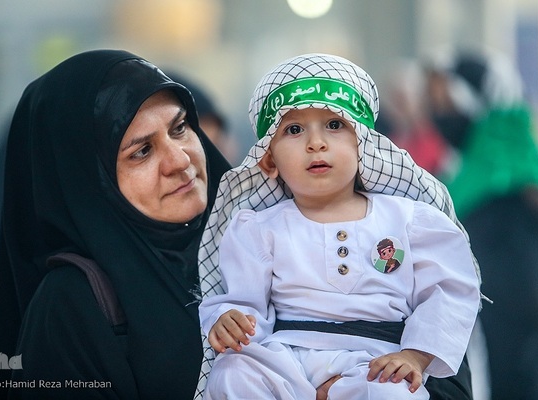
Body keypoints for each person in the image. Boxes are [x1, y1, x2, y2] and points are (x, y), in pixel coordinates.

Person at [197, 53, 481, 399]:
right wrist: (228, 319)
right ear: (269, 159)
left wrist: (415, 356)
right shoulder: (257, 228)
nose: (315, 143)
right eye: (294, 129)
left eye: (334, 125)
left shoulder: (410, 219)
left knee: (396, 393)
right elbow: (243, 306)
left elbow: (448, 293)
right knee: (233, 373)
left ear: (364, 143)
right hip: (286, 360)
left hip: (378, 361)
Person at [0, 49, 231, 399]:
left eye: (179, 128)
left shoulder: (258, 241)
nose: (179, 160)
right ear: (88, 184)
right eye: (141, 152)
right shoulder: (71, 308)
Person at [423, 48, 538, 400]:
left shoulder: (517, 182)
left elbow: (519, 292)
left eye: (446, 104)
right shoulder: (463, 171)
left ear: (472, 105)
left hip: (516, 342)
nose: (439, 115)